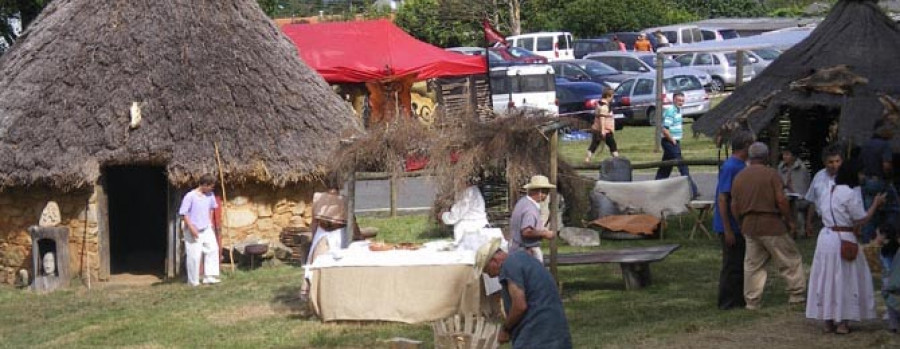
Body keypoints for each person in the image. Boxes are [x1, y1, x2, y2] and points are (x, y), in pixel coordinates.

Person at [806, 161, 887, 335]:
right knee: (845, 279)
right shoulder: (849, 193)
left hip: (825, 238)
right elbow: (861, 219)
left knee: (827, 278)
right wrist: (875, 203)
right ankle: (842, 322)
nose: (862, 177)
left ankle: (828, 320)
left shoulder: (827, 190)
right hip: (843, 238)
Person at [730, 142, 806, 310]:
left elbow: (734, 205)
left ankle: (752, 301)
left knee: (753, 265)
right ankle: (796, 293)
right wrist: (789, 220)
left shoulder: (740, 177)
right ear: (766, 157)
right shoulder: (772, 175)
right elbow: (781, 200)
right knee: (789, 259)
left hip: (749, 225)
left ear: (750, 157)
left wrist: (741, 222)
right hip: (771, 223)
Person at [475, 239, 572, 348]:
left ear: (494, 260)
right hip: (555, 331)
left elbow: (520, 305)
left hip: (537, 334)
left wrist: (506, 329)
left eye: (487, 270)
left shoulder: (509, 266)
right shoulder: (523, 258)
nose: (490, 275)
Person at [713, 131, 754, 310]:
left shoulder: (741, 166)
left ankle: (739, 298)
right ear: (745, 146)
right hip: (729, 225)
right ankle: (727, 302)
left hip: (738, 224)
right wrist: (728, 229)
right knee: (731, 265)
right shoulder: (731, 167)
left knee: (739, 262)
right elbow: (723, 199)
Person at [179, 174, 221, 286]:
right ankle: (193, 281)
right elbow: (184, 213)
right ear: (204, 185)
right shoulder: (190, 196)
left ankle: (209, 277)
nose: (212, 188)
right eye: (210, 186)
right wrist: (191, 228)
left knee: (212, 249)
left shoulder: (210, 195)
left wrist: (210, 222)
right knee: (194, 255)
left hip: (206, 227)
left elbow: (212, 208)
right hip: (193, 228)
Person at [859, 121, 898, 243]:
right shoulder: (885, 145)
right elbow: (886, 166)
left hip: (867, 182)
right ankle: (888, 236)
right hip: (880, 182)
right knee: (895, 208)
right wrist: (890, 177)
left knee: (869, 216)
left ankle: (868, 246)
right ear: (883, 131)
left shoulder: (866, 144)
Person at [655, 91, 699, 198]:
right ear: (674, 100)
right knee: (682, 166)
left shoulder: (678, 110)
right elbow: (665, 129)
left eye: (682, 101)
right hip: (669, 141)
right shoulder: (671, 111)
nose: (681, 102)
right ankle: (692, 190)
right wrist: (673, 141)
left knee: (666, 167)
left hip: (674, 141)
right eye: (679, 100)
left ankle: (656, 186)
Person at [509, 175, 557, 263]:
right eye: (547, 191)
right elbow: (526, 231)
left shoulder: (523, 202)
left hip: (517, 249)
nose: (547, 194)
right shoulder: (530, 209)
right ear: (540, 192)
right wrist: (545, 234)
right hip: (527, 251)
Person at [804, 145, 844, 237]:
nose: (835, 165)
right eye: (831, 162)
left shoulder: (846, 178)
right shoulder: (819, 176)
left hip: (841, 223)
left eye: (837, 161)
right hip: (823, 223)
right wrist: (808, 222)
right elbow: (812, 200)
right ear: (824, 162)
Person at [440, 178, 490, 243]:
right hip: (478, 227)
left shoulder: (467, 193)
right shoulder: (474, 190)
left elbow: (454, 216)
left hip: (469, 230)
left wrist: (443, 215)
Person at [778, 147, 812, 238]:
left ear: (793, 157)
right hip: (786, 196)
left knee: (793, 204)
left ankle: (797, 230)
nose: (785, 157)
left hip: (800, 198)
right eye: (784, 154)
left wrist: (794, 191)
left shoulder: (802, 169)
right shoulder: (781, 168)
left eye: (787, 154)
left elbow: (804, 187)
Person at [876, 223, 900, 332]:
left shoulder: (884, 251)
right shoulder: (897, 248)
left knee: (891, 303)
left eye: (878, 235)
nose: (876, 238)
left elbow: (887, 268)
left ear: (884, 236)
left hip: (892, 281)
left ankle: (894, 325)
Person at [585, 88, 619, 163]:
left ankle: (587, 159)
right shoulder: (604, 107)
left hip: (596, 129)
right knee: (613, 146)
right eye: (612, 96)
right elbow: (602, 119)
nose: (612, 98)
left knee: (593, 145)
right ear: (608, 96)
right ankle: (618, 161)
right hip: (605, 131)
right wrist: (603, 131)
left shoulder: (599, 104)